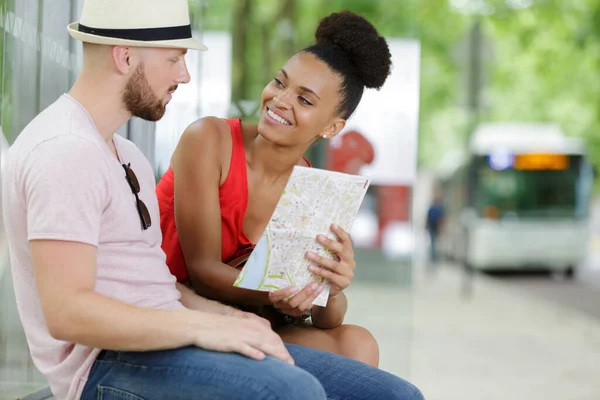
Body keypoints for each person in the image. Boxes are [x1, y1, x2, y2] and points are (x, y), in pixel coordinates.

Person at [1, 0, 424, 399]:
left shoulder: (124, 154)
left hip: (171, 335)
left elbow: (159, 285)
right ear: (125, 57)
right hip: (110, 362)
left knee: (396, 395)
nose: (184, 75)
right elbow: (67, 314)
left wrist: (230, 319)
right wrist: (203, 327)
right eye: (174, 59)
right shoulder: (66, 151)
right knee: (296, 392)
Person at [157, 11, 387, 368]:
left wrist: (331, 288)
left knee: (358, 343)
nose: (280, 100)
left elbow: (328, 319)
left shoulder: (313, 188)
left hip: (249, 318)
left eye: (305, 100)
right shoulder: (209, 139)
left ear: (332, 126)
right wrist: (279, 295)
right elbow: (203, 271)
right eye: (280, 83)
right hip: (175, 306)